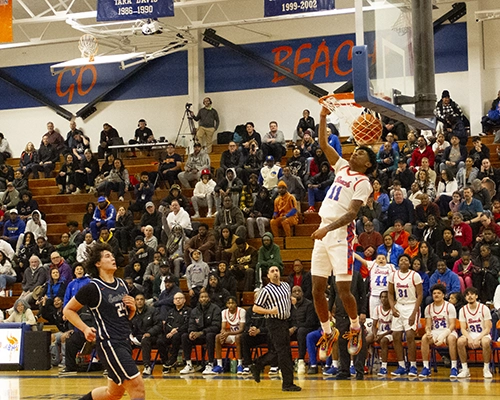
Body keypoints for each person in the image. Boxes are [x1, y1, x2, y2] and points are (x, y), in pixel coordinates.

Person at [309, 106, 376, 362]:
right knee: (317, 289)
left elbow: (351, 215)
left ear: (367, 164)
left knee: (342, 288)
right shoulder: (343, 167)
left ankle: (355, 328)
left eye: (360, 152)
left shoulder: (364, 182)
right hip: (323, 230)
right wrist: (324, 115)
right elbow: (323, 143)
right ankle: (328, 331)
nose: (354, 152)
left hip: (340, 233)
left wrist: (326, 228)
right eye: (355, 150)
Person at [63, 243, 145, 400]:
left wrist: (132, 310)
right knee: (138, 388)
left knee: (113, 394)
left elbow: (120, 318)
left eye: (112, 255)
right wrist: (85, 329)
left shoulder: (122, 284)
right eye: (107, 256)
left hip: (124, 342)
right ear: (97, 263)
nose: (112, 258)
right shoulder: (92, 288)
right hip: (110, 344)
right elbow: (68, 310)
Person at [250, 265, 301, 392]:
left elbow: (285, 299)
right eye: (272, 271)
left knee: (281, 352)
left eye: (277, 270)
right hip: (273, 322)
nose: (275, 273)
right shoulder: (266, 290)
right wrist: (270, 310)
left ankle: (258, 364)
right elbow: (255, 308)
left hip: (285, 322)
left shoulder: (286, 286)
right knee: (283, 353)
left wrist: (292, 300)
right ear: (268, 276)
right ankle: (287, 384)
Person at [388, 254, 423, 376]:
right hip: (399, 306)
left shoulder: (415, 275)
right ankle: (401, 365)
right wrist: (392, 307)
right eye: (401, 260)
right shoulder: (393, 275)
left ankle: (413, 365)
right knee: (396, 336)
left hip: (411, 306)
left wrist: (414, 313)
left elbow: (420, 295)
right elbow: (390, 294)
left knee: (409, 335)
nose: (403, 261)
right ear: (398, 263)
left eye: (406, 260)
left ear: (409, 263)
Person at [419, 283, 459, 378]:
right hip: (435, 331)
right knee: (425, 338)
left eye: (438, 293)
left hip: (448, 330)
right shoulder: (428, 308)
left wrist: (443, 336)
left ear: (443, 295)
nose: (436, 295)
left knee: (451, 339)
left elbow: (452, 325)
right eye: (434, 293)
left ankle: (454, 367)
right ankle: (426, 367)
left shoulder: (449, 306)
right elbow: (428, 325)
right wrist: (428, 332)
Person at [179, 289, 221, 375]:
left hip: (209, 334)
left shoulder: (215, 309)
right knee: (184, 336)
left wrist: (202, 332)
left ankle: (210, 364)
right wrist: (192, 332)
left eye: (205, 297)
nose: (204, 299)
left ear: (209, 298)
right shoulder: (194, 311)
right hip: (198, 335)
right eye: (202, 297)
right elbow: (191, 323)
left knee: (210, 335)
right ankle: (189, 364)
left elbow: (216, 326)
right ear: (199, 299)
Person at [456, 287, 493, 379]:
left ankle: (486, 369)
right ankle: (465, 369)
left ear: (476, 296)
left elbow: (487, 328)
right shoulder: (462, 310)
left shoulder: (484, 308)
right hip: (470, 333)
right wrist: (469, 338)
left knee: (485, 342)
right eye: (467, 295)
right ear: (465, 298)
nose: (470, 296)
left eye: (472, 294)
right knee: (460, 342)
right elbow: (463, 329)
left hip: (483, 333)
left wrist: (477, 339)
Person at [156, 292, 190, 374]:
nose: (178, 300)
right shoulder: (170, 312)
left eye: (180, 298)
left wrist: (176, 330)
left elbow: (188, 324)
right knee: (160, 341)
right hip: (170, 333)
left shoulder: (189, 311)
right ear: (173, 301)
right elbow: (167, 324)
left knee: (176, 337)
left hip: (181, 334)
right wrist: (170, 331)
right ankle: (165, 362)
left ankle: (173, 358)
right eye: (176, 298)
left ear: (184, 300)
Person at [213, 296, 246, 374]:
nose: (230, 305)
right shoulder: (224, 312)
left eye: (232, 303)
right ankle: (219, 365)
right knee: (217, 337)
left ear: (236, 304)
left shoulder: (241, 311)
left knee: (238, 337)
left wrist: (228, 333)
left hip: (240, 334)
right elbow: (223, 327)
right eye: (229, 303)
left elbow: (241, 329)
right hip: (230, 335)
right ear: (226, 304)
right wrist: (223, 334)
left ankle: (240, 364)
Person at [368, 291, 393, 376]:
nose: (383, 299)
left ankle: (384, 367)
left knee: (383, 341)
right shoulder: (377, 309)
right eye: (382, 297)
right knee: (366, 339)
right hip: (380, 332)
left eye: (385, 297)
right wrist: (375, 335)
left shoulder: (394, 310)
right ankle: (363, 364)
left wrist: (382, 335)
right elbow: (374, 325)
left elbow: (394, 329)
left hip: (390, 334)